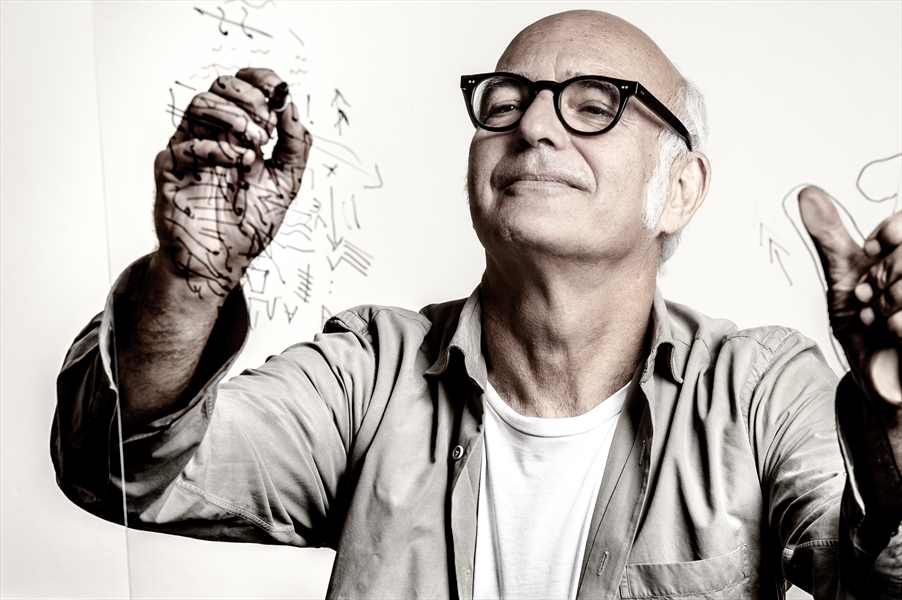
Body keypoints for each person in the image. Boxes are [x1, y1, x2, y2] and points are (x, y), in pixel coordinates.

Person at [51, 9, 901, 600]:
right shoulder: (370, 374)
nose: (533, 127)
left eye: (594, 104)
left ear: (680, 188)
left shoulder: (759, 390)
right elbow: (121, 469)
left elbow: (880, 582)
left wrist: (894, 421)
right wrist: (190, 283)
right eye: (504, 102)